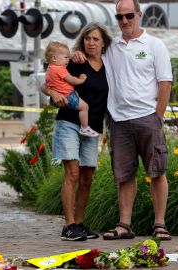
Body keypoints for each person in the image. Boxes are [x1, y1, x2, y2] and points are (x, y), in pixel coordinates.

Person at [73, 0, 173, 241]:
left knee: (157, 172)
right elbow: (90, 52)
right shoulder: (111, 48)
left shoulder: (154, 45)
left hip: (148, 118)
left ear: (139, 15)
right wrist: (76, 53)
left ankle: (160, 224)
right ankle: (124, 225)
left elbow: (165, 83)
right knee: (124, 176)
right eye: (120, 17)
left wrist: (157, 118)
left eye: (129, 15)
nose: (125, 21)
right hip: (119, 121)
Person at [42, 23, 112, 241]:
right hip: (69, 123)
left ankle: (79, 224)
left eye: (96, 39)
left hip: (92, 129)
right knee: (72, 173)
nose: (91, 43)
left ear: (103, 43)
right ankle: (68, 225)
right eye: (87, 38)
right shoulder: (72, 62)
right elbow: (45, 84)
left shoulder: (111, 66)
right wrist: (53, 94)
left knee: (87, 179)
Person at [44, 41, 98, 137]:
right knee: (84, 107)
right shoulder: (60, 69)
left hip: (55, 101)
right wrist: (81, 79)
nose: (68, 60)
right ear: (54, 58)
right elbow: (72, 80)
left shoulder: (49, 69)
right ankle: (85, 128)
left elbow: (47, 84)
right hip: (68, 97)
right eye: (65, 57)